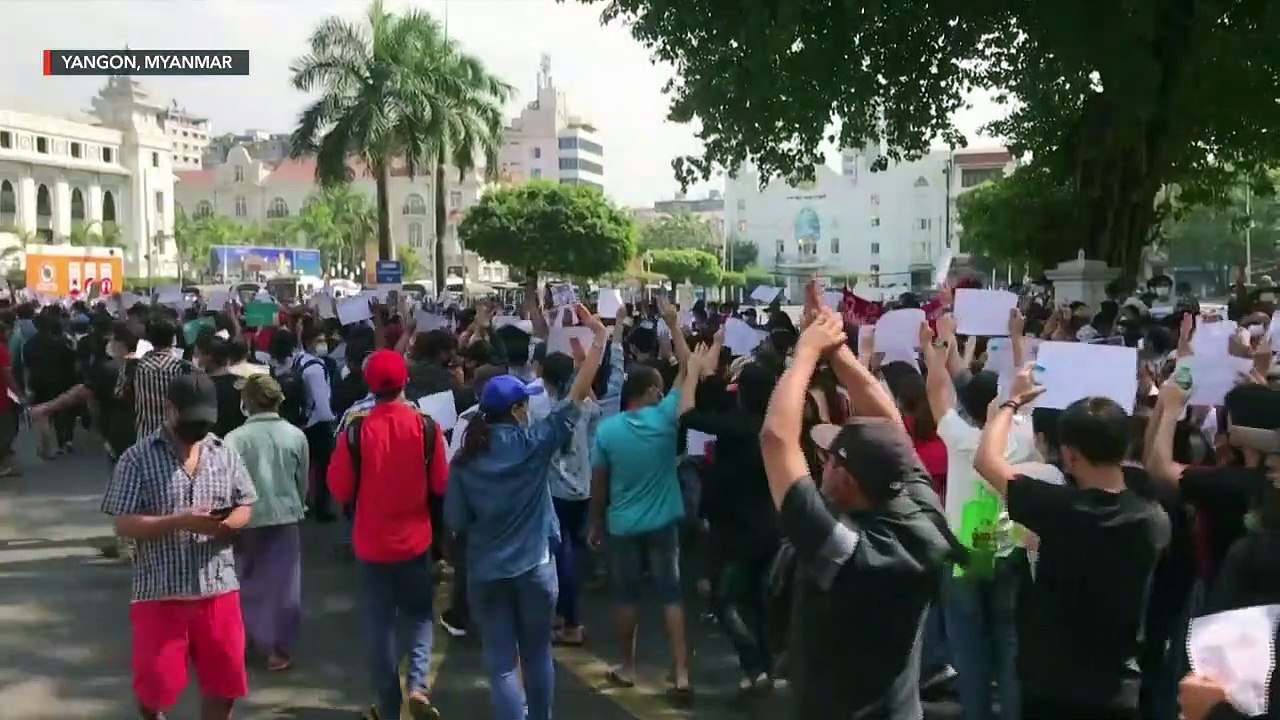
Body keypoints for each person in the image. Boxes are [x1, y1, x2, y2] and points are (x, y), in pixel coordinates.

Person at [759, 307, 957, 720]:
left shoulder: (848, 550)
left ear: (847, 481)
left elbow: (776, 439)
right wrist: (837, 352)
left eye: (831, 459)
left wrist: (806, 353)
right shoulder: (921, 513)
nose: (822, 462)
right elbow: (891, 428)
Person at [974, 364, 1170, 720]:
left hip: (1049, 683)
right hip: (1117, 688)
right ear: (1125, 446)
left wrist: (1011, 403)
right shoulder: (1153, 519)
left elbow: (986, 460)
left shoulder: (1054, 507)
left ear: (1069, 454)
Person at [445, 304, 608, 720]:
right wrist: (601, 341)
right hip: (536, 568)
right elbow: (575, 399)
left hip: (486, 571)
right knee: (537, 656)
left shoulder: (464, 460)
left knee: (501, 664)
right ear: (517, 411)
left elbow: (456, 524)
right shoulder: (535, 443)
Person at [101, 373, 258, 720]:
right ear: (169, 410)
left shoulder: (224, 453)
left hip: (218, 591)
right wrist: (178, 521)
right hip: (159, 593)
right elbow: (124, 522)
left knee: (225, 684)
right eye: (191, 421)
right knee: (153, 687)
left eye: (205, 422)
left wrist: (227, 525)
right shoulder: (136, 458)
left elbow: (245, 503)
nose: (198, 429)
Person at [327, 349, 448, 720]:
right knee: (419, 615)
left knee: (379, 624)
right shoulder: (426, 425)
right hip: (416, 540)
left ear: (369, 385)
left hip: (371, 542)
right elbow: (441, 484)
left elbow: (340, 489)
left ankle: (387, 704)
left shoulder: (355, 429)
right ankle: (417, 685)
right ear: (405, 382)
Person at [588, 300, 695, 697]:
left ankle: (628, 666)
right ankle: (682, 672)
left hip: (622, 524)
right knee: (671, 595)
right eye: (660, 388)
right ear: (650, 392)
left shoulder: (608, 431)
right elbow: (690, 368)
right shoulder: (667, 417)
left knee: (627, 596)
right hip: (665, 522)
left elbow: (599, 483)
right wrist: (674, 323)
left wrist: (595, 523)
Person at [224, 374, 309, 672]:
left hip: (246, 517)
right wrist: (298, 504)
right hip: (285, 516)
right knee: (284, 584)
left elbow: (227, 485)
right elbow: (302, 481)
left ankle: (246, 638)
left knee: (244, 579)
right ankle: (279, 648)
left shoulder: (233, 439)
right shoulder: (295, 435)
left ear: (246, 402)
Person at [117, 318, 191, 440]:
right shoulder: (186, 368)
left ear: (149, 340)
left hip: (145, 435)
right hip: (178, 438)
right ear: (173, 340)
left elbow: (120, 395)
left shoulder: (133, 367)